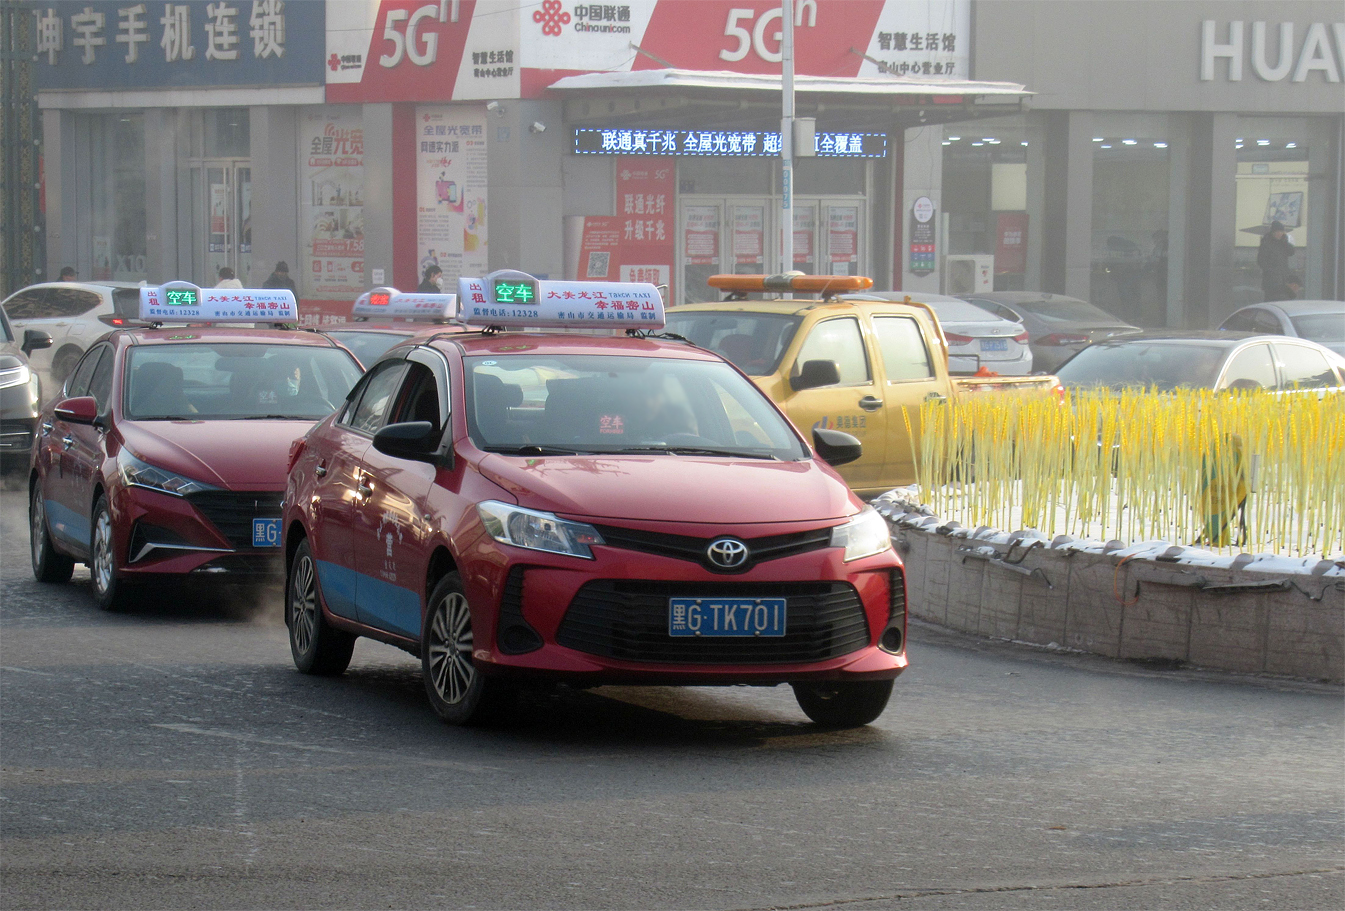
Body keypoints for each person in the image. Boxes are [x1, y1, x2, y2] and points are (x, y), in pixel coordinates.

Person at [1257, 221, 1298, 302]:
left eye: (1281, 232)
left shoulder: (1283, 242)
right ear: (1273, 232)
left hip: (1283, 279)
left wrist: (1285, 241)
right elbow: (1261, 261)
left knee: (1282, 301)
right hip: (1271, 280)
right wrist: (1271, 271)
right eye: (1277, 232)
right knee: (1271, 301)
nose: (1279, 234)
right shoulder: (1266, 243)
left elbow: (1291, 252)